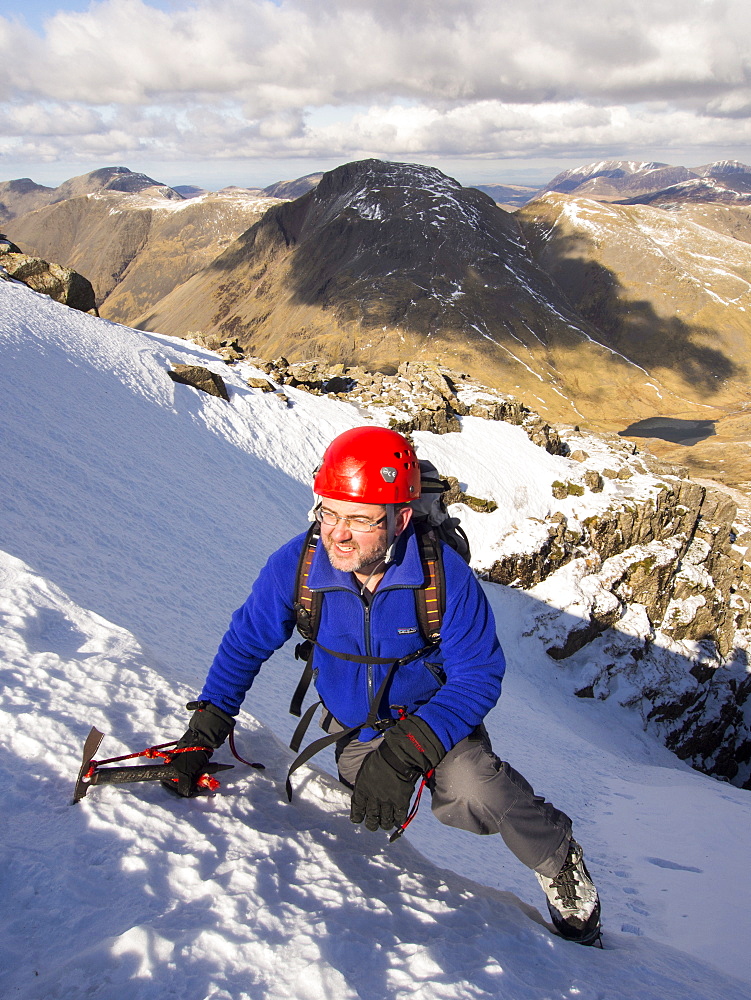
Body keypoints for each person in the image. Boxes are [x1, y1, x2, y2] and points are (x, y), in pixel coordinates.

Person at [169, 426, 602, 946]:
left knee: (473, 788)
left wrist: (406, 754)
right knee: (361, 795)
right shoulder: (300, 565)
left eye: (358, 520)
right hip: (354, 727)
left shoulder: (443, 575)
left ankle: (559, 863)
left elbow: (478, 676)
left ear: (400, 518)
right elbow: (246, 641)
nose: (338, 534)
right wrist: (207, 724)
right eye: (328, 514)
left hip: (433, 720)